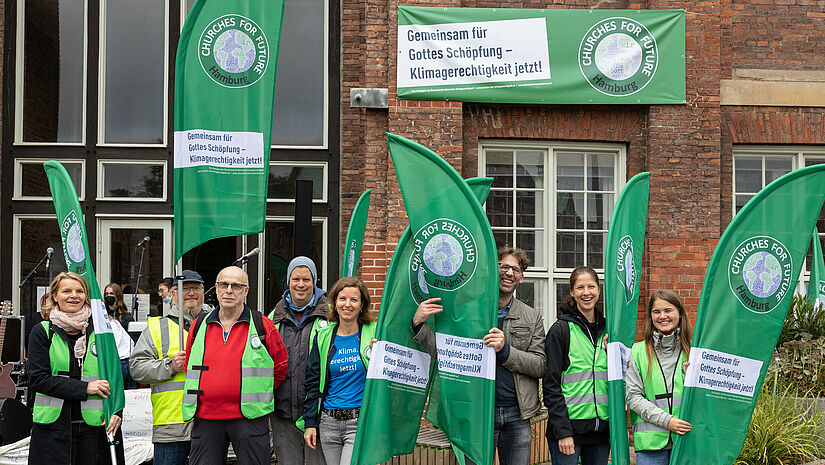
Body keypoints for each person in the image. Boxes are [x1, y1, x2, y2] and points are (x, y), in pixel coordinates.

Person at [412, 246, 546, 465]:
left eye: (515, 269)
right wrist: (418, 325)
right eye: (504, 266)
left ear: (521, 277)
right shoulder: (469, 312)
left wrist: (506, 351)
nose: (509, 273)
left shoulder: (531, 317)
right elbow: (447, 355)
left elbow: (540, 365)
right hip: (478, 411)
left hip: (517, 414)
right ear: (493, 269)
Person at [184, 266, 289, 465]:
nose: (229, 290)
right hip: (206, 418)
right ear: (216, 289)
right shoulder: (199, 326)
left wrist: (258, 390)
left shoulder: (262, 325)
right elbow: (191, 363)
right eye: (224, 285)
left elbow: (280, 366)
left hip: (249, 418)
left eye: (236, 286)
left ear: (246, 291)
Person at [27, 272, 125, 465]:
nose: (74, 295)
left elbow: (115, 374)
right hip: (53, 431)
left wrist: (117, 411)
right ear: (55, 296)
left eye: (80, 291)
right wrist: (85, 388)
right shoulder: (42, 332)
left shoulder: (101, 332)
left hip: (95, 431)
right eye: (66, 291)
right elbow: (38, 379)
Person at [130, 270, 209, 465]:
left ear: (203, 292)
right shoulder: (157, 327)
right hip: (171, 427)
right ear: (173, 294)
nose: (191, 293)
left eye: (196, 288)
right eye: (184, 288)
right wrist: (170, 365)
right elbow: (137, 369)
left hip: (210, 423)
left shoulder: (216, 325)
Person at [303, 277, 376, 465]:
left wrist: (380, 354)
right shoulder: (323, 336)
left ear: (362, 305)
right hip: (329, 422)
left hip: (359, 422)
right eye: (342, 299)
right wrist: (310, 423)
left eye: (354, 300)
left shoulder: (374, 334)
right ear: (334, 303)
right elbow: (312, 382)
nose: (347, 304)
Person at [543, 266, 609, 465]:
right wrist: (563, 432)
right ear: (572, 292)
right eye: (580, 287)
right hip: (568, 432)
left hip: (600, 433)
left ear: (599, 289)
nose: (586, 292)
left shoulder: (609, 330)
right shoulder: (560, 330)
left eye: (591, 286)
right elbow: (551, 386)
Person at [269, 256, 329, 464]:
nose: (301, 285)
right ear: (288, 281)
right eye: (296, 279)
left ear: (314, 281)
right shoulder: (272, 319)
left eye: (307, 279)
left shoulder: (331, 317)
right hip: (282, 414)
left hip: (320, 415)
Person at [625, 290, 693, 465]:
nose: (662, 316)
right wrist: (667, 421)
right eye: (656, 312)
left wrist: (691, 378)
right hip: (651, 446)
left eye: (668, 310)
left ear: (679, 313)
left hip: (687, 440)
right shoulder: (638, 351)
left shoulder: (694, 352)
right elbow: (633, 397)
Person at [104, 283, 136, 389]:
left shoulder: (126, 316)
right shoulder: (102, 314)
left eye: (112, 293)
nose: (109, 296)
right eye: (107, 294)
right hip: (111, 359)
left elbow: (132, 339)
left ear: (117, 295)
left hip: (126, 360)